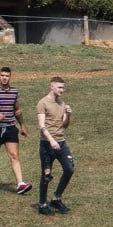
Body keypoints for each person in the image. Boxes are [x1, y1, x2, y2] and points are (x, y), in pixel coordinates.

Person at [0, 66, 31, 195]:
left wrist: (22, 126)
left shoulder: (14, 91)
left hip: (10, 128)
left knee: (14, 156)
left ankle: (20, 184)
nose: (4, 77)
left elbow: (17, 110)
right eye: (2, 75)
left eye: (7, 76)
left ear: (10, 77)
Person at [35, 76, 74, 216]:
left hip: (61, 142)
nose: (62, 90)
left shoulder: (62, 103)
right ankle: (42, 204)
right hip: (47, 144)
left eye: (63, 88)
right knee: (46, 175)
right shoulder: (42, 103)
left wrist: (68, 115)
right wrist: (51, 140)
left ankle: (56, 198)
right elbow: (41, 125)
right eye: (59, 87)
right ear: (52, 87)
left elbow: (65, 125)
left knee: (69, 169)